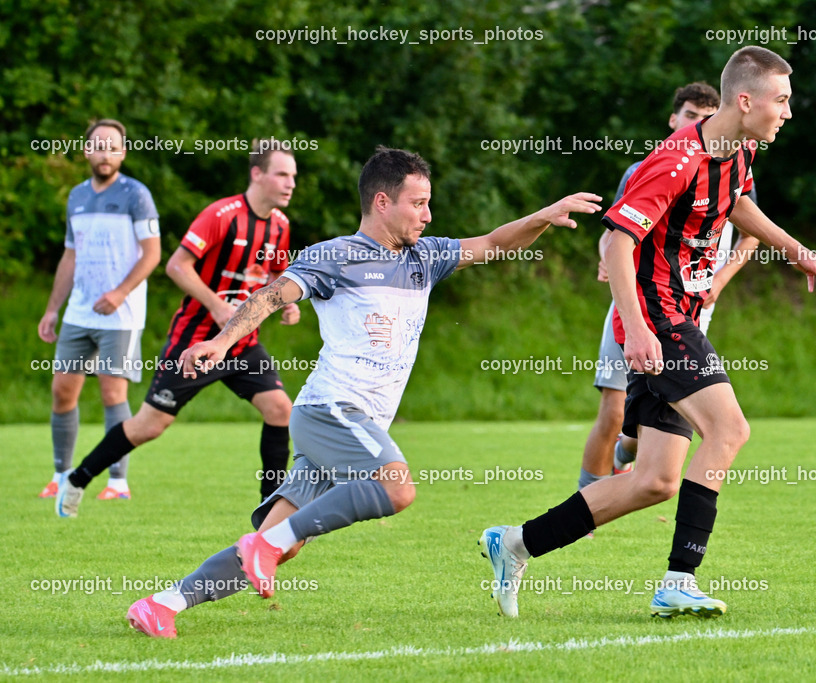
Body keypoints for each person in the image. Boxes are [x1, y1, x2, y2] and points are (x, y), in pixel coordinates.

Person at [122, 146, 601, 638]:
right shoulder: (336, 256)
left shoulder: (425, 258)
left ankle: (164, 603)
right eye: (417, 203)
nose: (428, 215)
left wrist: (543, 216)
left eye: (428, 203)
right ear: (381, 201)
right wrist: (222, 342)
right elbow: (269, 295)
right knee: (397, 487)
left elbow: (496, 242)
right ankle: (260, 549)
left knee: (277, 544)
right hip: (332, 409)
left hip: (351, 424)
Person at [481, 46, 816, 619]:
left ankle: (516, 543)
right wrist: (639, 328)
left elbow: (739, 205)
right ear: (745, 101)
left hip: (681, 317)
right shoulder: (677, 159)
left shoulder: (740, 150)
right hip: (661, 316)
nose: (787, 113)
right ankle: (679, 580)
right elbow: (618, 241)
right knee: (730, 429)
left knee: (654, 481)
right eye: (782, 100)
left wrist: (796, 253)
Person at [55, 141, 301, 517]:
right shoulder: (222, 214)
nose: (290, 183)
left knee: (280, 410)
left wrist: (287, 303)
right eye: (282, 174)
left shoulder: (280, 226)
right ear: (257, 174)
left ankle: (269, 514)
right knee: (148, 426)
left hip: (241, 344)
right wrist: (217, 305)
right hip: (195, 343)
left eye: (293, 176)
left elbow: (273, 277)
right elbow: (176, 266)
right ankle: (77, 479)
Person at [579, 83, 761, 490]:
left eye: (707, 115)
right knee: (612, 409)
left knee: (660, 427)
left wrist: (722, 277)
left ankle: (628, 452)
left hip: (690, 310)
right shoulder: (656, 164)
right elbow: (616, 233)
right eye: (692, 115)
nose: (700, 123)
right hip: (638, 304)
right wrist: (606, 256)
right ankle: (586, 499)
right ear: (674, 118)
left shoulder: (735, 161)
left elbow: (750, 229)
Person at [37, 119, 161, 501]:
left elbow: (152, 253)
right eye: (98, 146)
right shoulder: (76, 196)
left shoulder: (136, 194)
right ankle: (61, 474)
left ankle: (117, 483)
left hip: (120, 315)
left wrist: (120, 292)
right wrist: (52, 309)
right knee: (62, 391)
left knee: (112, 394)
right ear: (87, 150)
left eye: (112, 146)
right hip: (79, 312)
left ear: (122, 153)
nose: (105, 153)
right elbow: (70, 256)